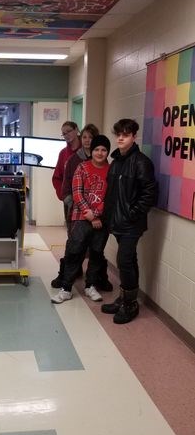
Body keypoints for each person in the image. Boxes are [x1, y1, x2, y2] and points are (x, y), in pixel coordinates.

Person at [101, 119, 157, 324]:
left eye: (126, 134)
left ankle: (130, 305)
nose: (121, 138)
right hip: (117, 222)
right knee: (128, 259)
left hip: (131, 223)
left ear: (134, 136)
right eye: (119, 134)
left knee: (124, 260)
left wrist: (131, 215)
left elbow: (149, 195)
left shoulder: (141, 162)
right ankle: (125, 298)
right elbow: (112, 194)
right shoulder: (116, 162)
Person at [51, 135, 111, 304]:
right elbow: (77, 193)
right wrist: (90, 214)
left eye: (104, 150)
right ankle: (66, 288)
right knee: (74, 252)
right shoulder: (82, 168)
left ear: (108, 152)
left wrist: (97, 215)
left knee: (96, 254)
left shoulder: (111, 170)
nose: (100, 153)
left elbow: (111, 196)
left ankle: (90, 286)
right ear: (91, 151)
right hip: (81, 218)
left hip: (102, 221)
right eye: (97, 149)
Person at [52, 120, 81, 223]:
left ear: (76, 129)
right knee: (71, 231)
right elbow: (56, 177)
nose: (67, 135)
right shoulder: (63, 153)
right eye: (64, 134)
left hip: (86, 198)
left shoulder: (86, 150)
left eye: (69, 131)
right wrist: (64, 196)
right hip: (69, 199)